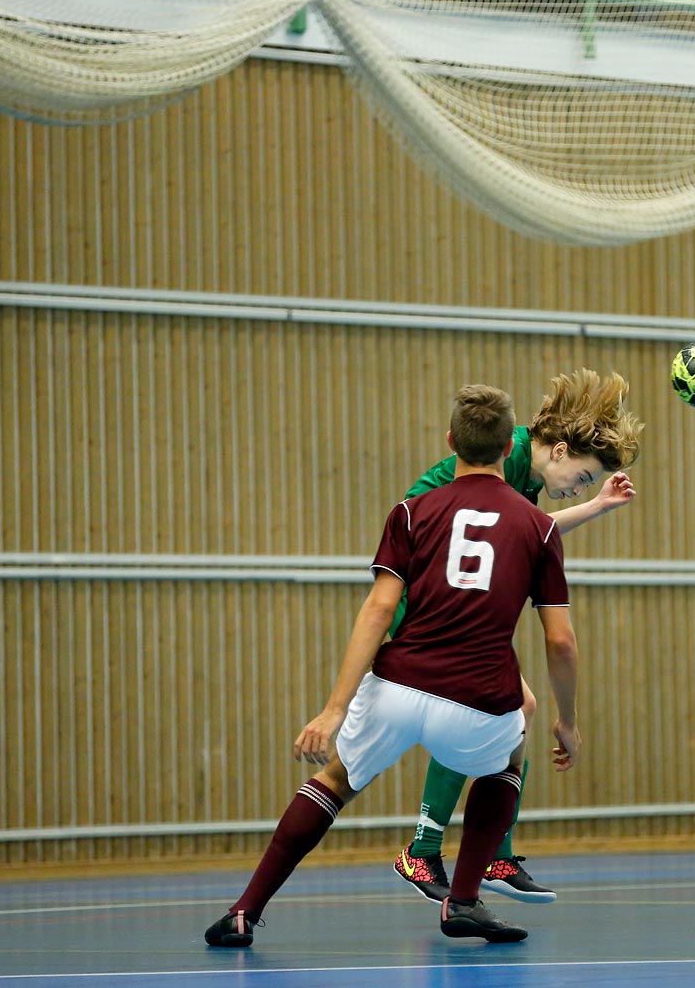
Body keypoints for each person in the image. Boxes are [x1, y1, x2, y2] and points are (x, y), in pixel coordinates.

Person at [205, 384, 583, 947]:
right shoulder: (539, 526)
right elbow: (561, 643)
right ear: (512, 447)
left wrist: (334, 709)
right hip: (477, 699)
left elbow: (380, 608)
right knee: (510, 750)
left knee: (332, 782)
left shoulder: (412, 512)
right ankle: (464, 901)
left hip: (397, 685)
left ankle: (243, 911)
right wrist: (567, 720)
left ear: (451, 440)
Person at [392, 368, 643, 905]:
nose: (577, 488)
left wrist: (598, 505)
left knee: (514, 711)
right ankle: (426, 849)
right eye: (582, 477)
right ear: (557, 449)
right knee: (492, 710)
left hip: (452, 606)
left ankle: (490, 855)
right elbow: (524, 531)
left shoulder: (524, 473)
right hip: (425, 607)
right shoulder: (500, 467)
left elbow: (534, 527)